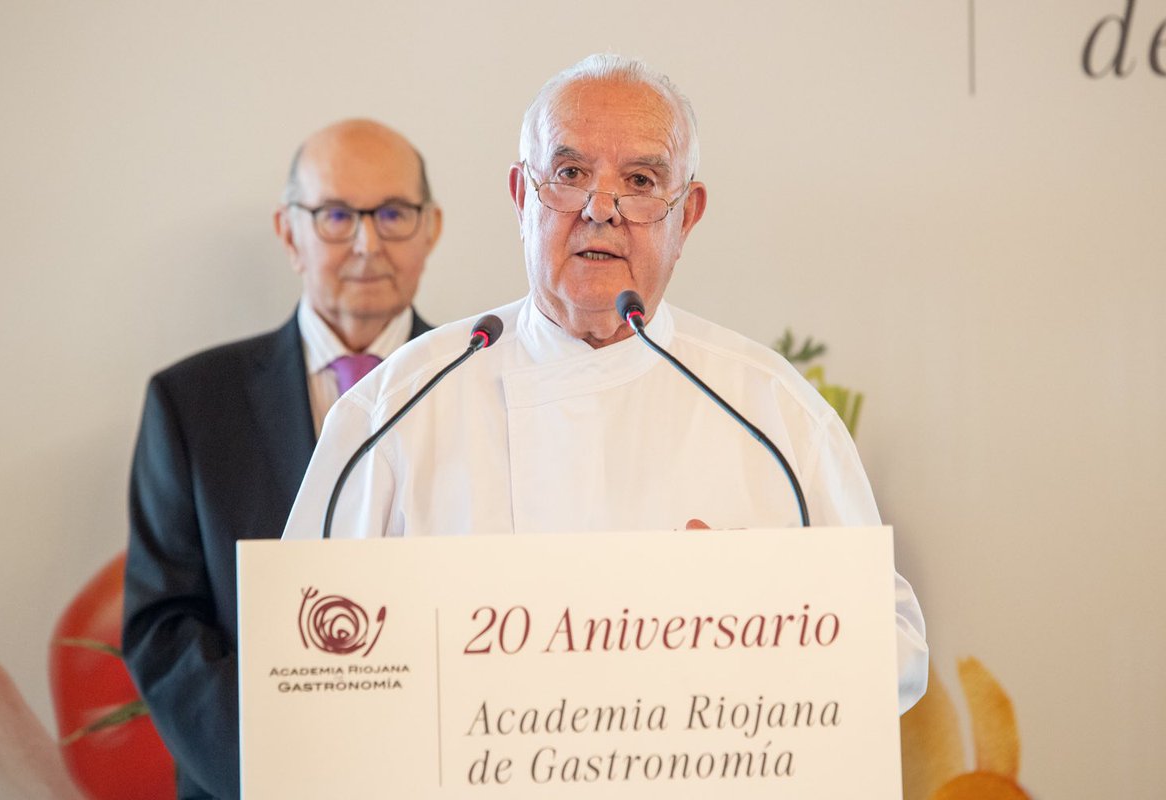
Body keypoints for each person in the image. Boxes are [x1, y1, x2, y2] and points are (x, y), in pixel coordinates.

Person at [281, 55, 928, 713]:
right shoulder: (397, 408)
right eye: (569, 175)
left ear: (687, 216)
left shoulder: (769, 409)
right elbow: (298, 665)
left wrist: (764, 612)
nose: (600, 210)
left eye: (642, 180)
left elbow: (898, 659)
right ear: (520, 197)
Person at [122, 119, 441, 799]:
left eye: (392, 213)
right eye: (334, 215)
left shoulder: (488, 383)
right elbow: (165, 625)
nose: (366, 243)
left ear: (431, 229)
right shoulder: (190, 402)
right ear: (288, 232)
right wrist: (279, 773)